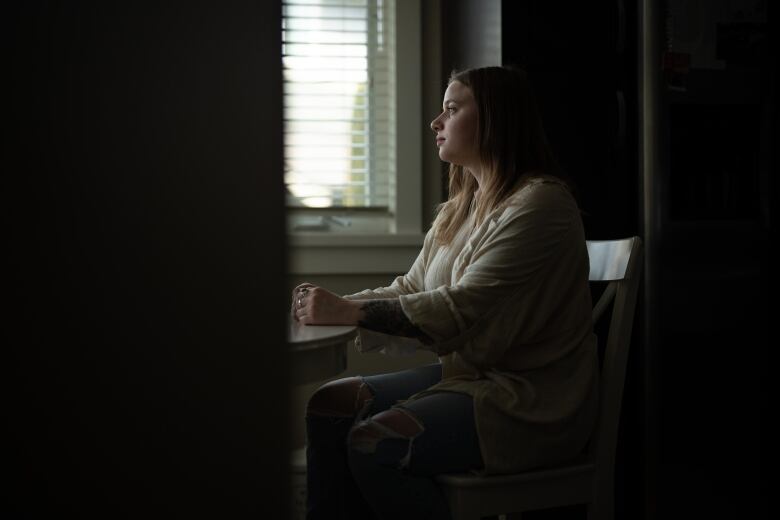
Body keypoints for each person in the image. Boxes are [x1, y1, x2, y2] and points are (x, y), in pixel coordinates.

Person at [292, 66, 598, 520]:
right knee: (329, 406)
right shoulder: (463, 206)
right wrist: (331, 307)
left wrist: (349, 311)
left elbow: (462, 309)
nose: (436, 122)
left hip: (529, 398)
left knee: (372, 443)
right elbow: (412, 289)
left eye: (452, 110)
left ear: (495, 120)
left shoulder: (541, 205)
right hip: (473, 376)